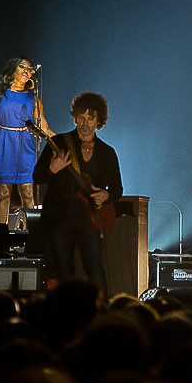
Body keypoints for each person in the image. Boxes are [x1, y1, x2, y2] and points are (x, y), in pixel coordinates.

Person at [32, 91, 123, 297]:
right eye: (81, 117)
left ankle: (102, 310)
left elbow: (117, 189)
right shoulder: (60, 143)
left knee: (95, 268)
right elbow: (37, 176)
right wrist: (51, 170)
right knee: (64, 272)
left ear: (99, 120)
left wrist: (106, 196)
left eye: (90, 118)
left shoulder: (107, 152)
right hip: (59, 219)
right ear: (75, 117)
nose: (85, 123)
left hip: (90, 219)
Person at [0, 57, 55, 224]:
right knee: (4, 191)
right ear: (12, 71)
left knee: (27, 191)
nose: (26, 70)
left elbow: (44, 128)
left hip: (25, 143)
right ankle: (1, 233)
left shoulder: (34, 98)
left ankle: (28, 234)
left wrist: (63, 142)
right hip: (4, 142)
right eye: (22, 66)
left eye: (29, 68)